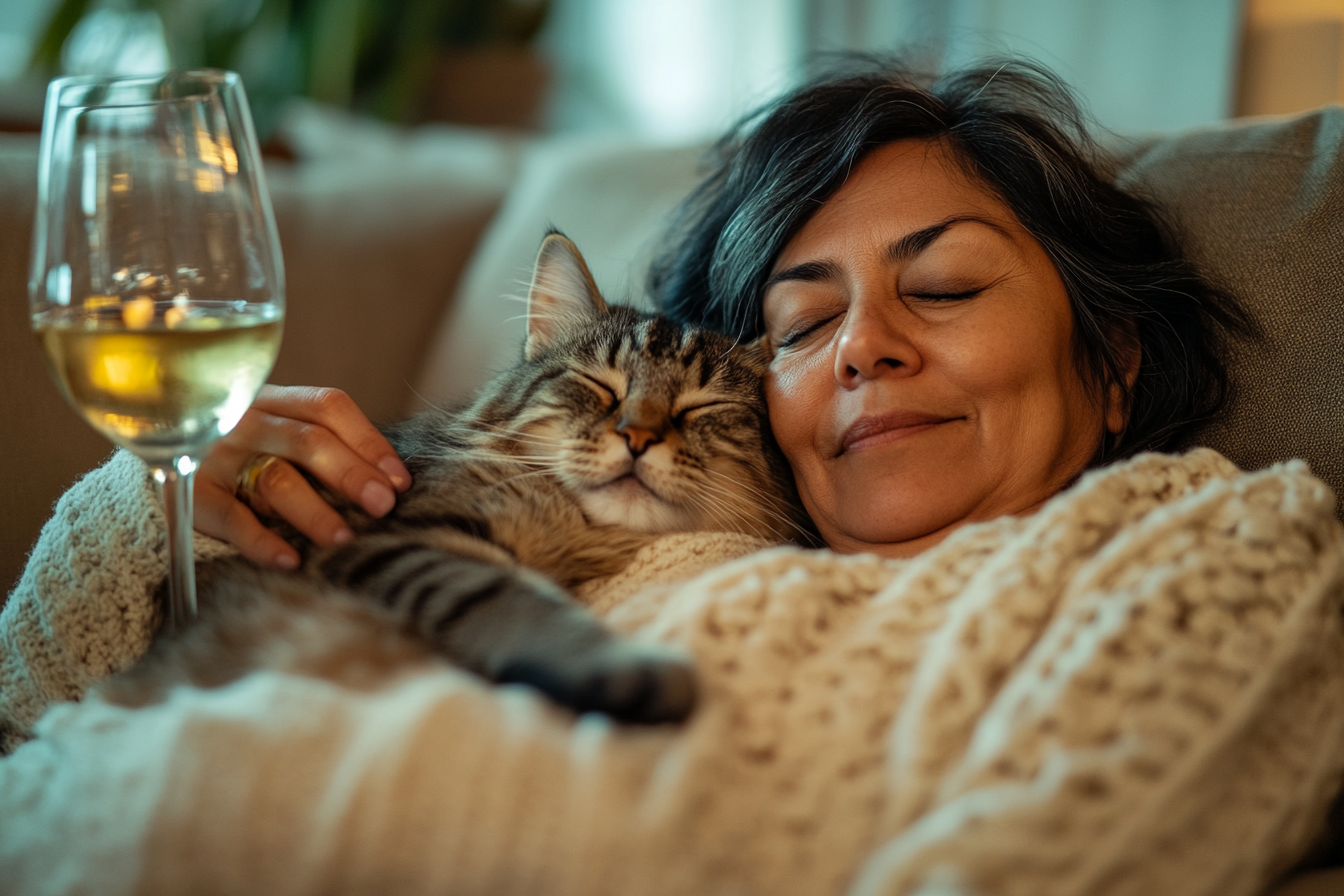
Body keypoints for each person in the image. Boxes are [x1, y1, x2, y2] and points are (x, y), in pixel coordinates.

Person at [196, 58, 1250, 564]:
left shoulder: (1214, 550)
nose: (862, 347)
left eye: (944, 288)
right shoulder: (628, 532)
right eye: (798, 328)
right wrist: (158, 503)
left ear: (1112, 365)